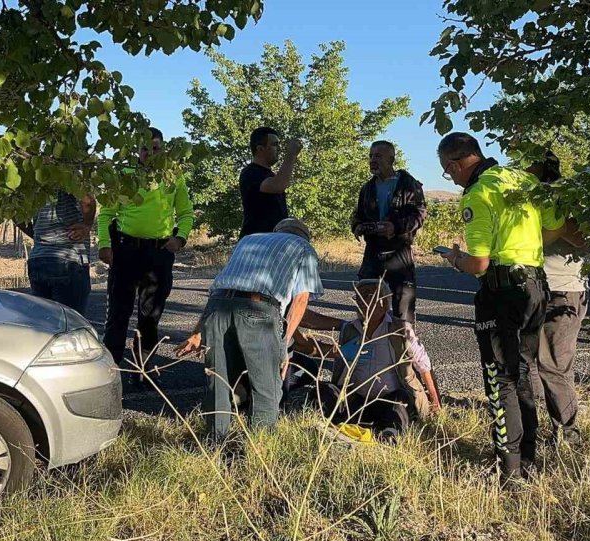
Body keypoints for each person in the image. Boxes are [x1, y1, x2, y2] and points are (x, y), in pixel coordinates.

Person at [435, 132, 568, 481]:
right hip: (537, 287)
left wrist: (455, 259)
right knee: (522, 373)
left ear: (455, 163)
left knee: (500, 380)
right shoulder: (522, 179)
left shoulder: (479, 194)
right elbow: (553, 229)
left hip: (502, 292)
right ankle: (528, 460)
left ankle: (507, 470)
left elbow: (478, 263)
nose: (452, 179)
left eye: (449, 173)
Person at [174, 218, 324, 439]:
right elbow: (300, 301)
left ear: (276, 230)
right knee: (265, 388)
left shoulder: (249, 240)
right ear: (304, 236)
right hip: (258, 310)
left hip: (218, 308)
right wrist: (284, 345)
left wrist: (198, 332)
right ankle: (260, 450)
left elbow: (219, 289)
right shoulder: (303, 247)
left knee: (219, 382)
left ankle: (215, 444)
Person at [285, 279, 441, 438]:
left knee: (400, 399)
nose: (361, 299)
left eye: (368, 295)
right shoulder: (350, 330)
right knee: (323, 390)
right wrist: (290, 329)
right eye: (358, 296)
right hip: (356, 400)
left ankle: (390, 435)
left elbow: (424, 365)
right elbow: (309, 344)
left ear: (384, 303)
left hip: (387, 401)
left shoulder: (399, 330)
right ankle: (328, 428)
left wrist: (434, 401)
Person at [98, 127, 194, 378]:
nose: (149, 154)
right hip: (126, 251)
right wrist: (105, 244)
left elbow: (185, 213)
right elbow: (106, 213)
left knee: (150, 317)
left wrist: (180, 238)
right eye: (144, 149)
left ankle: (143, 370)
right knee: (118, 315)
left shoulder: (173, 177)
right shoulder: (124, 175)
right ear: (136, 150)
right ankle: (111, 374)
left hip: (158, 254)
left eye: (155, 149)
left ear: (163, 150)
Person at [527, 150, 587, 447]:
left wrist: (549, 227)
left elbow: (583, 238)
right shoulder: (533, 198)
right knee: (542, 364)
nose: (525, 168)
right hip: (541, 287)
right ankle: (556, 430)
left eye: (530, 163)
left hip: (563, 290)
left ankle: (570, 437)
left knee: (552, 366)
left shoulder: (564, 199)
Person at [351, 141, 427, 325]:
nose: (372, 160)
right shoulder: (367, 188)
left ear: (391, 159)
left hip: (399, 252)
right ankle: (371, 350)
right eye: (370, 156)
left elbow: (419, 215)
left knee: (403, 311)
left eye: (378, 156)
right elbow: (357, 214)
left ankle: (405, 351)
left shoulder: (409, 185)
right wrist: (357, 226)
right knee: (367, 307)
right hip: (372, 252)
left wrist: (395, 227)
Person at [17, 191, 96, 314]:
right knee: (71, 324)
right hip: (68, 258)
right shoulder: (71, 173)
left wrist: (39, 236)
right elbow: (87, 201)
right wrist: (87, 225)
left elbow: (16, 214)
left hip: (38, 258)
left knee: (44, 322)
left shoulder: (33, 178)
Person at [239, 127, 302, 237]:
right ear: (260, 149)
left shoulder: (270, 176)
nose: (279, 149)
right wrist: (291, 154)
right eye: (274, 145)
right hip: (256, 244)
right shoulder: (250, 173)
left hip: (271, 243)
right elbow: (278, 185)